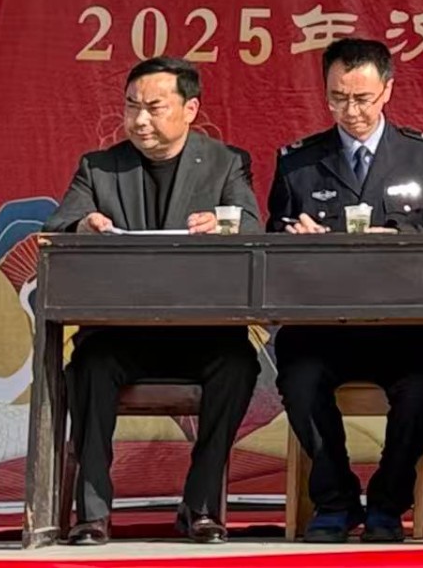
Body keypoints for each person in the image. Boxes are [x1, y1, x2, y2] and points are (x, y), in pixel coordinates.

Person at [45, 57, 261, 546]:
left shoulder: (226, 163)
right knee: (90, 365)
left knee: (238, 364)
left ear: (191, 109)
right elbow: (56, 228)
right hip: (122, 333)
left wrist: (223, 224)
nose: (140, 120)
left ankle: (199, 506)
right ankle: (92, 514)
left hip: (200, 332)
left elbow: (252, 224)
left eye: (154, 107)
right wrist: (83, 226)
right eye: (131, 107)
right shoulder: (99, 167)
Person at [267, 39, 423, 543]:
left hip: (404, 326)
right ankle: (335, 500)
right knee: (300, 379)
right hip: (323, 325)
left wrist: (397, 239)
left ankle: (388, 504)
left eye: (362, 98)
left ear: (387, 91)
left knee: (421, 390)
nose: (350, 111)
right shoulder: (298, 163)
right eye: (338, 98)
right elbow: (271, 245)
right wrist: (296, 240)